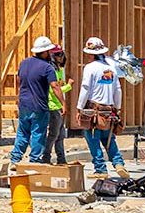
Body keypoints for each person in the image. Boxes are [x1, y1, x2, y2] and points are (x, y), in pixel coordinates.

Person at [77, 36, 131, 179]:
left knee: (93, 138)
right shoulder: (111, 68)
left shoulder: (90, 68)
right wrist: (117, 108)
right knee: (108, 138)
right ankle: (118, 163)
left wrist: (79, 107)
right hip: (108, 109)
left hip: (93, 110)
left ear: (90, 53)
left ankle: (100, 169)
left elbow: (85, 88)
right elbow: (118, 90)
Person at [9, 36, 57, 166]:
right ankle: (34, 160)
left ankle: (15, 160)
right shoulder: (47, 68)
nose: (51, 54)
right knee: (38, 133)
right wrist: (63, 104)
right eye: (49, 52)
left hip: (24, 104)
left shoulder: (24, 63)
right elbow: (54, 86)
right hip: (39, 106)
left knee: (22, 132)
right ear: (45, 52)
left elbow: (19, 81)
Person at [43, 46, 73, 165]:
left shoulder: (59, 70)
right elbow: (54, 90)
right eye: (57, 55)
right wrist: (69, 86)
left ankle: (61, 159)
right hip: (52, 106)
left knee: (60, 135)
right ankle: (46, 156)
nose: (60, 57)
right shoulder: (52, 70)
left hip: (58, 106)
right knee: (53, 134)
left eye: (61, 54)